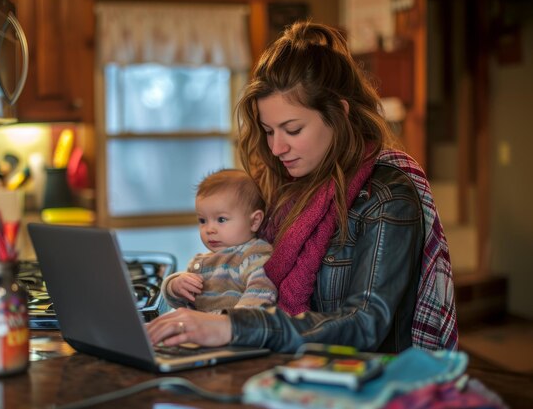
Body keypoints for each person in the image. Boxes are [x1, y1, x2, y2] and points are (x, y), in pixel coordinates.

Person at [147, 21, 458, 353]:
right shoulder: (279, 189)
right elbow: (238, 276)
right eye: (268, 131)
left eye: (292, 129)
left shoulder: (387, 197)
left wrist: (234, 327)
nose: (277, 147)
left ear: (339, 113)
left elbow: (365, 325)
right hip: (284, 369)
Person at [161, 169, 277, 314]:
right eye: (202, 220)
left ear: (254, 221)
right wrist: (174, 287)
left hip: (233, 332)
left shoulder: (251, 256)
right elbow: (182, 304)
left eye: (221, 219)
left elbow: (261, 293)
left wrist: (229, 322)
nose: (209, 229)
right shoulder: (202, 261)